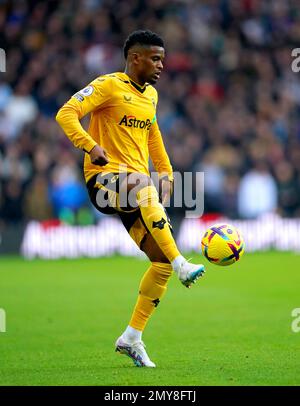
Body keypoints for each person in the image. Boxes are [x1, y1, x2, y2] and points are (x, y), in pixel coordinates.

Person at [56, 30, 205, 368]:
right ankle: (183, 262)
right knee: (142, 183)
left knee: (159, 264)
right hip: (103, 180)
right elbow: (66, 113)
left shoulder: (150, 95)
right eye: (155, 58)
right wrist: (90, 146)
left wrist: (166, 172)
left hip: (135, 189)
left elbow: (152, 133)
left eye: (162, 58)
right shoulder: (107, 86)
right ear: (135, 58)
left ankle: (132, 337)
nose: (161, 65)